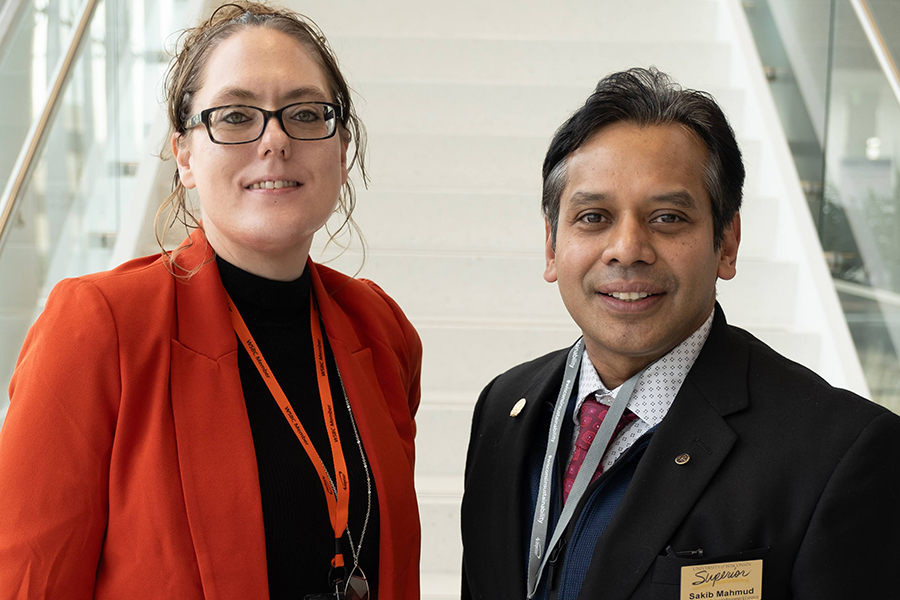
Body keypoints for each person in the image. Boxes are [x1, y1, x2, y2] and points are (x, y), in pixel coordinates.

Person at [0, 3, 421, 599]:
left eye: (305, 113)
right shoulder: (99, 326)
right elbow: (27, 584)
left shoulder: (381, 331)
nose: (275, 139)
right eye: (235, 115)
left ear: (343, 149)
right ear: (185, 155)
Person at [460, 67, 900, 600]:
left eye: (667, 218)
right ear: (552, 246)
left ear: (728, 242)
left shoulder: (840, 453)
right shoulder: (505, 408)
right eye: (594, 216)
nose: (627, 249)